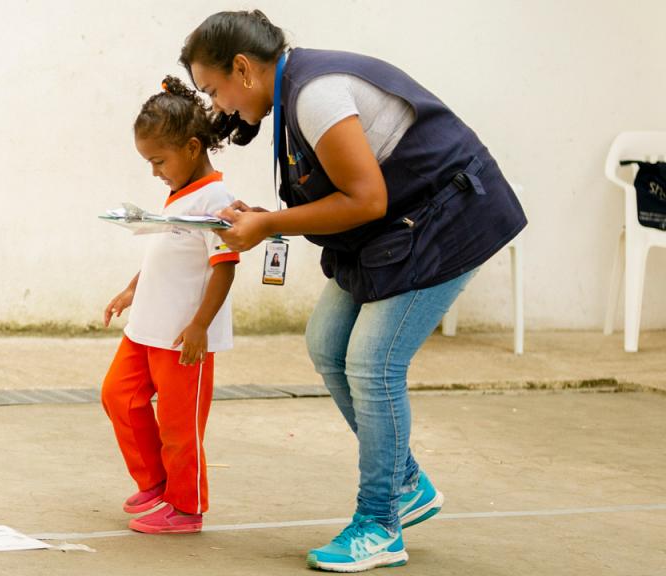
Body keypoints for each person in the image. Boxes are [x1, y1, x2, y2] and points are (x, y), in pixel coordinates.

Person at [179, 9, 526, 572]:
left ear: (243, 69)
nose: (220, 107)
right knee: (326, 342)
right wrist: (268, 217)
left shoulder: (315, 95)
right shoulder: (291, 94)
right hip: (397, 229)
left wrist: (266, 227)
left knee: (372, 362)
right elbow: (350, 196)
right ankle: (406, 484)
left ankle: (379, 525)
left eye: (215, 90)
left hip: (450, 220)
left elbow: (366, 200)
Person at [100, 75, 241, 535]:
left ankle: (186, 508)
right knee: (119, 395)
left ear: (193, 147)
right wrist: (131, 289)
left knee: (180, 428)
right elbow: (167, 254)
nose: (155, 171)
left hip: (184, 337)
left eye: (159, 161)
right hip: (147, 327)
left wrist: (201, 325)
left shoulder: (216, 200)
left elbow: (224, 265)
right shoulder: (180, 193)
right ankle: (158, 484)